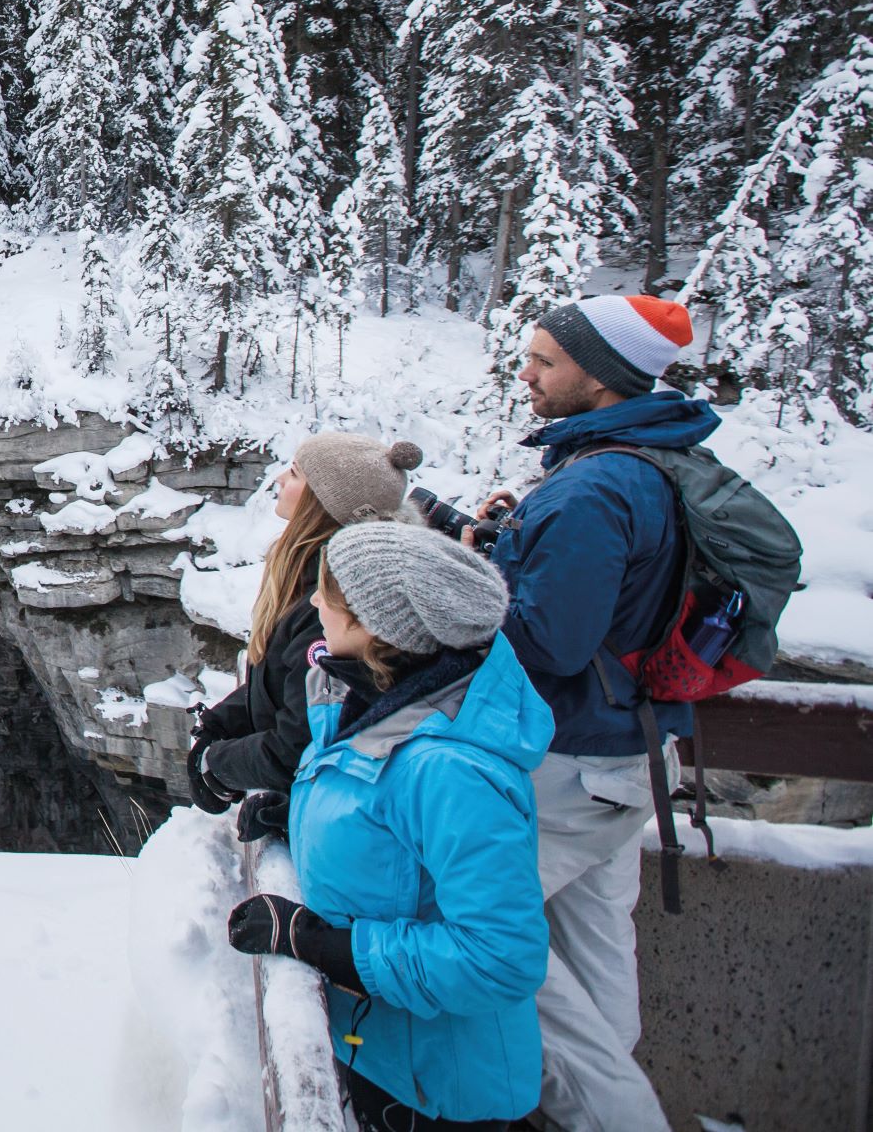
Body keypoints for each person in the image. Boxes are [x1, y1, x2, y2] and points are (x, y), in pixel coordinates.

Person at [464, 294, 712, 1132]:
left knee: (474, 926)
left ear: (601, 378)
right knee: (595, 956)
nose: (525, 374)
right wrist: (503, 546)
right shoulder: (640, 460)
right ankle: (606, 1103)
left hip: (571, 763)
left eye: (544, 361)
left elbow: (549, 644)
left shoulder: (594, 486)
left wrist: (467, 587)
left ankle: (615, 1118)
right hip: (629, 759)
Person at [226, 522, 552, 1132]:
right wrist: (302, 816)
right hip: (385, 1054)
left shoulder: (451, 770)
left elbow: (500, 958)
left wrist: (320, 944)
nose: (315, 603)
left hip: (437, 1090)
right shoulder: (371, 697)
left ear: (378, 628)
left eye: (330, 595)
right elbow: (389, 837)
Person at [188, 434, 426, 837]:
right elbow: (282, 678)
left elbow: (301, 739)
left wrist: (219, 763)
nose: (279, 478)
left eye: (295, 473)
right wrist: (218, 724)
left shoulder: (338, 604)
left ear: (323, 502)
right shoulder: (308, 570)